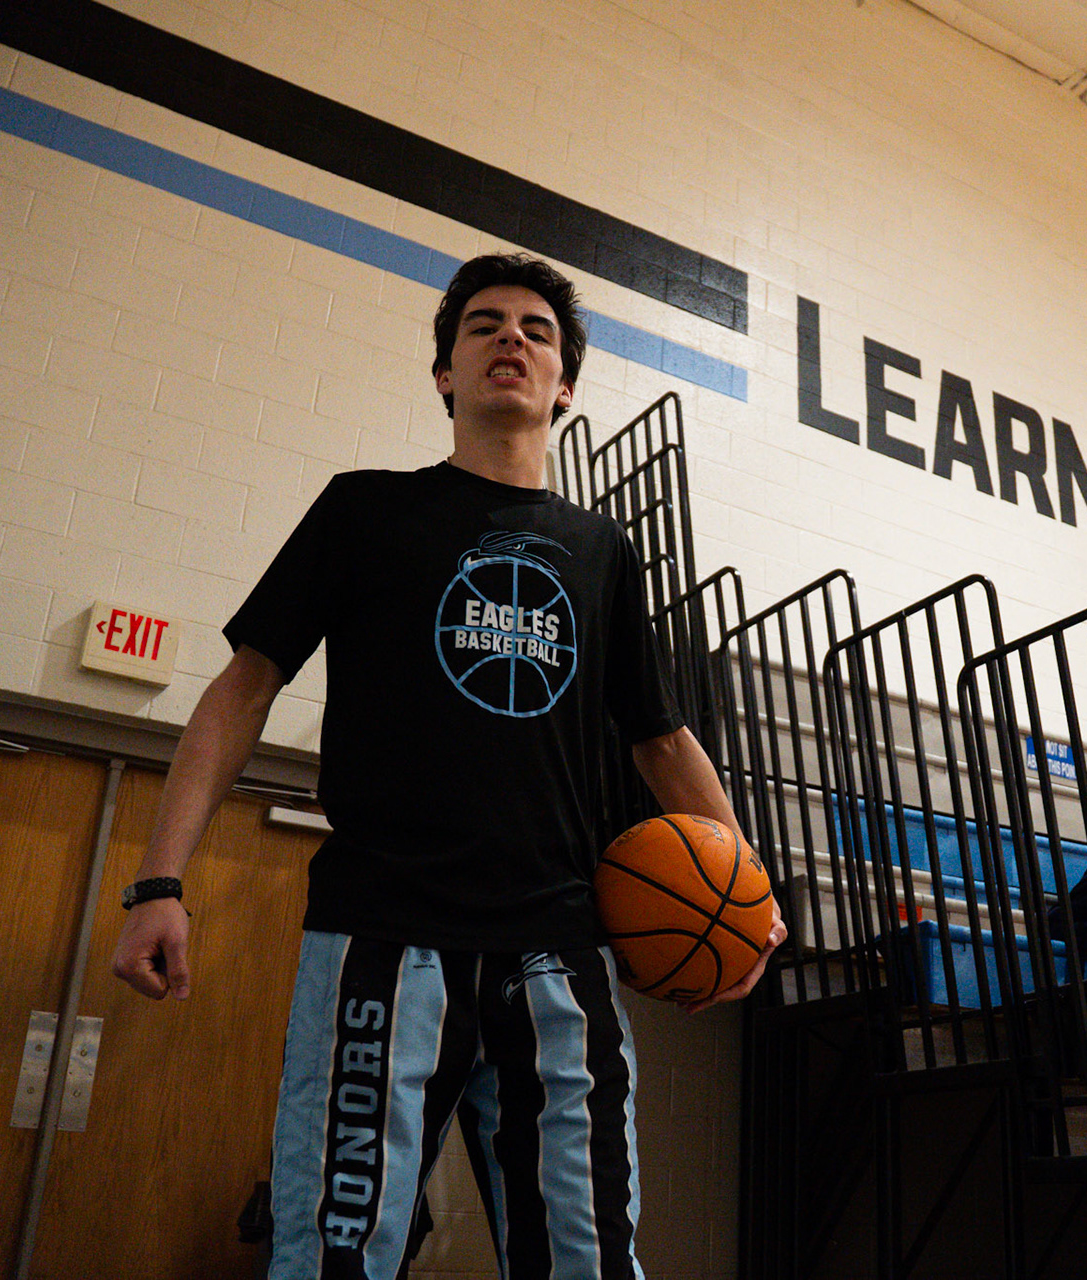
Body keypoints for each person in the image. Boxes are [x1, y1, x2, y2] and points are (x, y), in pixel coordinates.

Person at [110, 252, 785, 1280]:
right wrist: (159, 881)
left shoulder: (603, 550)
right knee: (335, 1261)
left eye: (536, 330)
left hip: (559, 948)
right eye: (483, 325)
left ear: (564, 387)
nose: (511, 337)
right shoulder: (363, 510)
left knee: (589, 1266)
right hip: (382, 935)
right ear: (444, 374)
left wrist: (747, 900)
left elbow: (659, 736)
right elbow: (242, 689)